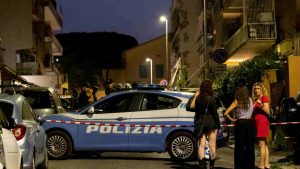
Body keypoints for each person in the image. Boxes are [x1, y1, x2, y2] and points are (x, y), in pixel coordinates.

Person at [224, 85, 256, 169]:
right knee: (250, 146)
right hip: (249, 123)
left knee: (239, 146)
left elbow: (226, 113)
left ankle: (239, 166)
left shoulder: (237, 101)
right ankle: (250, 166)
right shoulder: (251, 100)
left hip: (240, 123)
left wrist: (233, 119)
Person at [192, 79, 220, 169]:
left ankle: (202, 165)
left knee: (201, 145)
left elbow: (196, 111)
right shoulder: (211, 98)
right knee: (212, 145)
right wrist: (218, 124)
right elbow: (215, 113)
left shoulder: (198, 98)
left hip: (201, 123)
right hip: (211, 123)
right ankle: (212, 165)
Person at [252, 82, 271, 169]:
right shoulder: (257, 99)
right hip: (257, 122)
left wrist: (260, 104)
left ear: (262, 89)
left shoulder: (264, 97)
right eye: (255, 89)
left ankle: (262, 165)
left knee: (261, 144)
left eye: (258, 88)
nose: (256, 90)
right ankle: (267, 163)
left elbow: (267, 112)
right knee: (264, 144)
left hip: (262, 121)